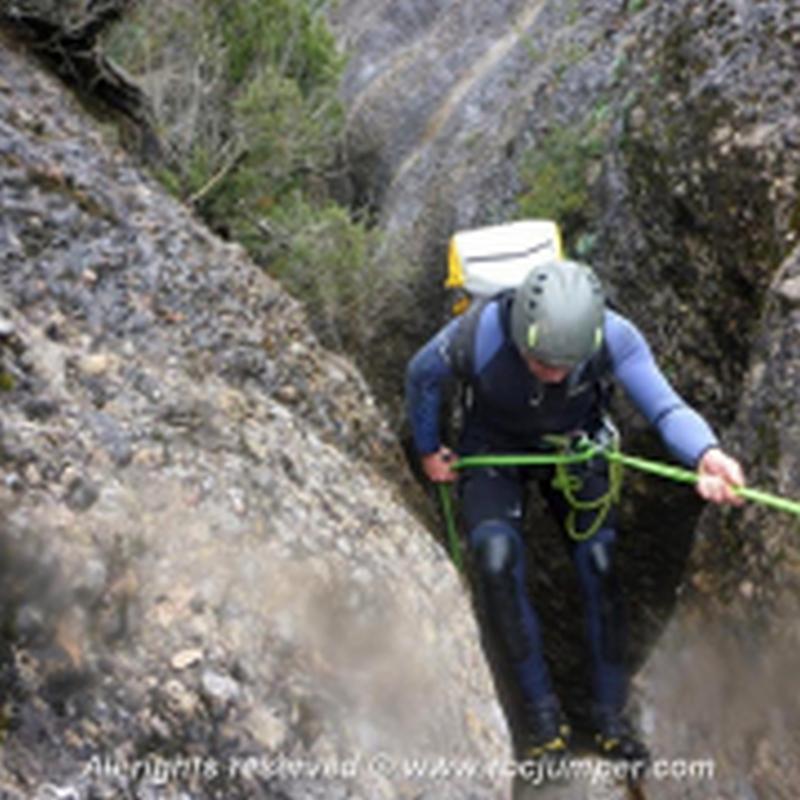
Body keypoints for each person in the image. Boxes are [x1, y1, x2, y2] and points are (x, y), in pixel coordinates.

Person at [405, 259, 745, 763]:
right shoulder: (476, 335)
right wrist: (429, 448)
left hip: (574, 447)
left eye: (566, 364)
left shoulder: (615, 335)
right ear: (521, 335)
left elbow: (665, 406)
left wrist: (704, 453)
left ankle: (609, 717)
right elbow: (421, 376)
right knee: (495, 562)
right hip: (494, 448)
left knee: (601, 568)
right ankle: (542, 723)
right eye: (542, 362)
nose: (555, 373)